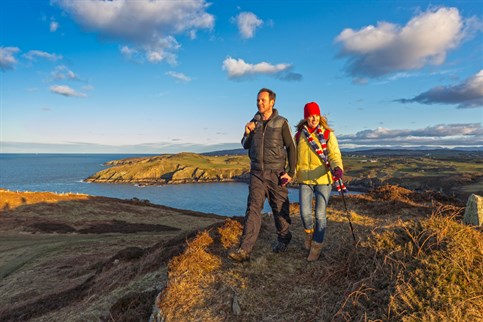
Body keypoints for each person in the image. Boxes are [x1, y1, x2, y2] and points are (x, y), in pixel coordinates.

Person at [228, 88, 297, 262]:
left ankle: (284, 237)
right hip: (257, 173)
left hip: (276, 173)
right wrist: (247, 132)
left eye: (263, 100)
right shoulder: (254, 122)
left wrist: (290, 172)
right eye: (258, 100)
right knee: (253, 209)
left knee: (279, 208)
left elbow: (291, 148)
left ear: (272, 102)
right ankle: (244, 250)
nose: (259, 103)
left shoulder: (282, 123)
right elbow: (245, 145)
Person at [294, 102, 344, 261]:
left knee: (320, 214)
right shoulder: (299, 136)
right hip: (305, 179)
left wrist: (337, 168)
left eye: (315, 115)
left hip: (323, 179)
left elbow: (334, 154)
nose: (313, 118)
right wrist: (290, 173)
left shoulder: (328, 134)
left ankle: (317, 245)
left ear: (319, 116)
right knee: (304, 213)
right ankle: (309, 235)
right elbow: (294, 159)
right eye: (310, 115)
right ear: (306, 117)